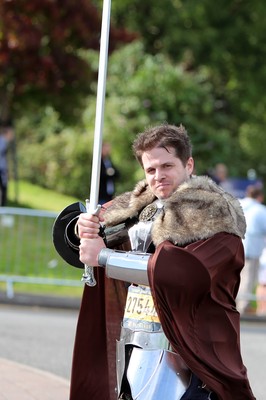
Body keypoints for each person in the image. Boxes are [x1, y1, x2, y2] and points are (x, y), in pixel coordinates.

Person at [53, 123, 255, 400]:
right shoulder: (139, 207)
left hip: (193, 357)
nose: (158, 176)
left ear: (189, 164)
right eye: (150, 170)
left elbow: (185, 274)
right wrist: (83, 228)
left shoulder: (216, 216)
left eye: (167, 166)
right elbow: (88, 230)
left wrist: (103, 256)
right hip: (135, 349)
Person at [236, 184, 266, 315]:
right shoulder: (260, 210)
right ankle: (243, 307)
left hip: (234, 247)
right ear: (260, 197)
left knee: (234, 278)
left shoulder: (238, 204)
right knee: (248, 279)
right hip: (251, 249)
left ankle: (233, 304)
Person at [0, 125, 14, 206]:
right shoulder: (2, 142)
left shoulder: (4, 142)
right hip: (1, 171)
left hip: (2, 170)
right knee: (3, 189)